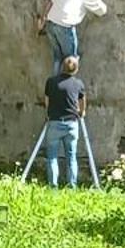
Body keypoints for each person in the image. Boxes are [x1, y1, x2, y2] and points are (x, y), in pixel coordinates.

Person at [39, 0, 106, 70]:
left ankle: (54, 84)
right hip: (64, 27)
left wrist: (43, 19)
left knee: (57, 57)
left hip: (51, 23)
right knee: (71, 61)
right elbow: (102, 11)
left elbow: (50, 0)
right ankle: (68, 85)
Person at [41, 56, 89, 188]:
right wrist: (82, 112)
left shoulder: (51, 82)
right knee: (71, 157)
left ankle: (53, 186)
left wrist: (48, 113)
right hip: (71, 124)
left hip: (55, 123)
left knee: (52, 157)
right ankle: (72, 185)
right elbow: (83, 100)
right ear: (76, 69)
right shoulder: (79, 84)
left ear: (62, 67)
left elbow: (47, 101)